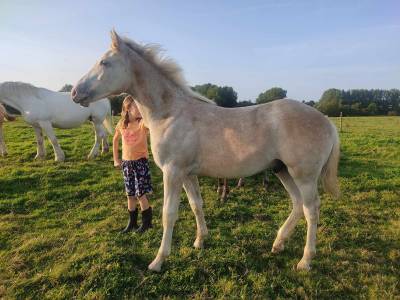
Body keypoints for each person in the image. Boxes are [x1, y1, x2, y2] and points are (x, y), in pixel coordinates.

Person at [113, 95, 153, 234]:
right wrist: (116, 159)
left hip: (140, 163)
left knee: (140, 194)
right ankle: (132, 223)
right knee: (130, 194)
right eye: (137, 106)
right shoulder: (121, 124)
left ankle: (147, 223)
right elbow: (115, 140)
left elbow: (152, 124)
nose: (140, 109)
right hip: (127, 164)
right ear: (128, 108)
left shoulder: (143, 123)